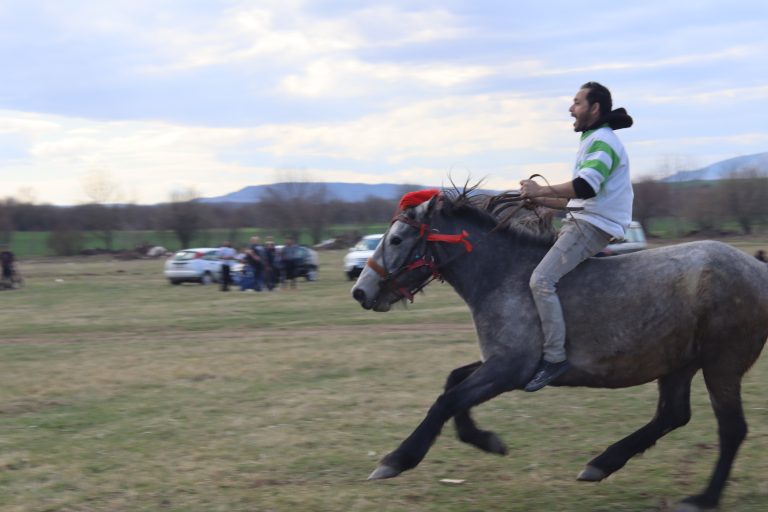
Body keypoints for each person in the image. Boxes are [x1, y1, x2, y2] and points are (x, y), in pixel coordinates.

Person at [520, 81, 634, 392]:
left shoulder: (602, 141)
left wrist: (540, 190)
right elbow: (579, 199)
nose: (571, 109)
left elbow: (585, 187)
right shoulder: (593, 139)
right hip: (587, 218)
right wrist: (539, 200)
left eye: (577, 103)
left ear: (594, 108)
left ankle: (554, 358)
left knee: (541, 280)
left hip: (594, 225)